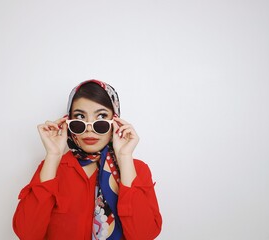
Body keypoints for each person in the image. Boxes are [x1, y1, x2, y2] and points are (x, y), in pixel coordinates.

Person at [13, 79, 162, 240]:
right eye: (80, 117)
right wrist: (53, 155)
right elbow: (27, 234)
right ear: (68, 121)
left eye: (102, 116)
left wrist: (124, 158)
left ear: (116, 121)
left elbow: (144, 236)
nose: (89, 127)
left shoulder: (136, 170)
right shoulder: (52, 168)